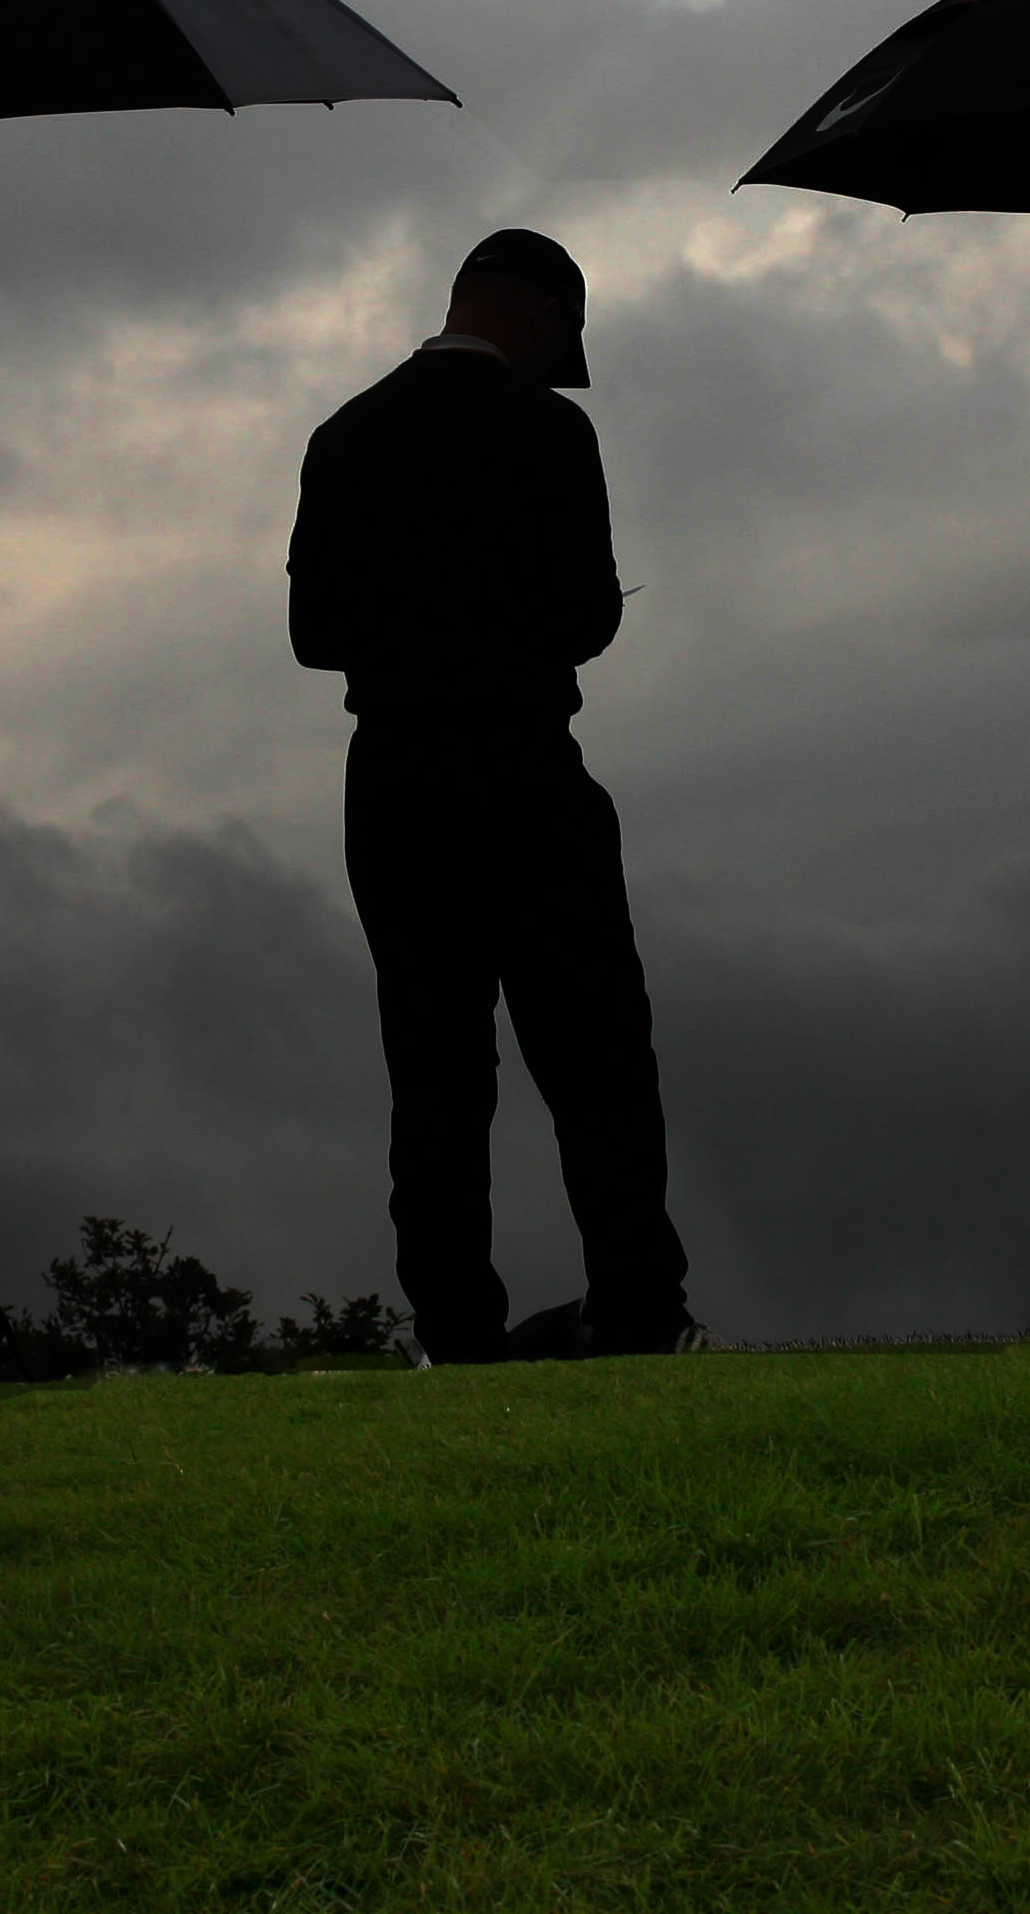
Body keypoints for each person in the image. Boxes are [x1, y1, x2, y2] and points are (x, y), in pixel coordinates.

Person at [288, 228, 698, 1361]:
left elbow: (312, 633)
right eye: (565, 330)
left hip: (398, 782)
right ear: (529, 310)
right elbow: (588, 619)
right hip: (523, 766)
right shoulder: (550, 430)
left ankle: (457, 1328)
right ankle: (637, 1306)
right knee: (598, 1053)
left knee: (433, 1070)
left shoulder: (346, 433)